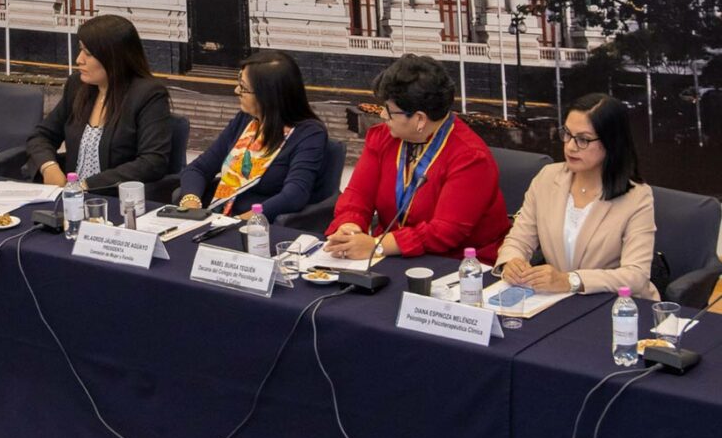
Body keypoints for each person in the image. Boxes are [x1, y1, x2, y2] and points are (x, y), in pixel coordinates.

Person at [324, 54, 509, 263]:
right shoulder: (383, 137)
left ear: (420, 119)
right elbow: (358, 196)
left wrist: (377, 246)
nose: (383, 115)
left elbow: (444, 232)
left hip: (455, 264)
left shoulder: (471, 158)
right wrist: (350, 227)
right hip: (390, 256)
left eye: (390, 111)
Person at [495, 94, 659, 299]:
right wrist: (512, 261)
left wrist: (570, 280)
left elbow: (636, 275)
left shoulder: (637, 198)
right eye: (567, 134)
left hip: (616, 305)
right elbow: (519, 239)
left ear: (611, 143)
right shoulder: (547, 177)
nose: (571, 146)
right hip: (558, 301)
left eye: (583, 139)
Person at [177, 51, 328, 222]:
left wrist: (243, 220)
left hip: (260, 228)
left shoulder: (309, 133)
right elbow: (199, 169)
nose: (236, 91)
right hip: (220, 218)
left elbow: (294, 195)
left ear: (267, 96)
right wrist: (192, 202)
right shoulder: (245, 120)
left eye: (243, 88)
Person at [26, 14, 171, 189]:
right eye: (80, 50)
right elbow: (42, 136)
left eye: (88, 53)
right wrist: (49, 167)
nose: (79, 59)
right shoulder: (77, 86)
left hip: (113, 200)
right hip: (69, 198)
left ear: (113, 57)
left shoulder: (148, 95)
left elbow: (152, 162)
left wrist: (87, 185)